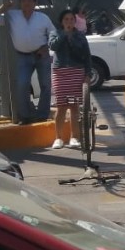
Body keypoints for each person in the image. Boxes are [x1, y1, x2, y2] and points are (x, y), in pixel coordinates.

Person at [0, 0, 57, 123]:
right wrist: (4, 7)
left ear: (34, 3)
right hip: (23, 56)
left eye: (30, 0)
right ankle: (25, 116)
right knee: (22, 84)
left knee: (46, 85)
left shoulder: (43, 18)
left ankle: (42, 114)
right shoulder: (13, 15)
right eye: (24, 0)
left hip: (41, 55)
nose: (27, 3)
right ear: (20, 3)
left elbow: (53, 33)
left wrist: (46, 47)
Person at [49, 9, 92, 149]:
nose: (69, 22)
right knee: (61, 106)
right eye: (66, 20)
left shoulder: (80, 36)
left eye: (71, 20)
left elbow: (87, 55)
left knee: (74, 106)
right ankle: (58, 138)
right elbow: (53, 46)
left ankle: (75, 137)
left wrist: (87, 74)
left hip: (76, 71)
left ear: (75, 21)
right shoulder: (55, 33)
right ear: (62, 22)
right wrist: (64, 35)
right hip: (60, 72)